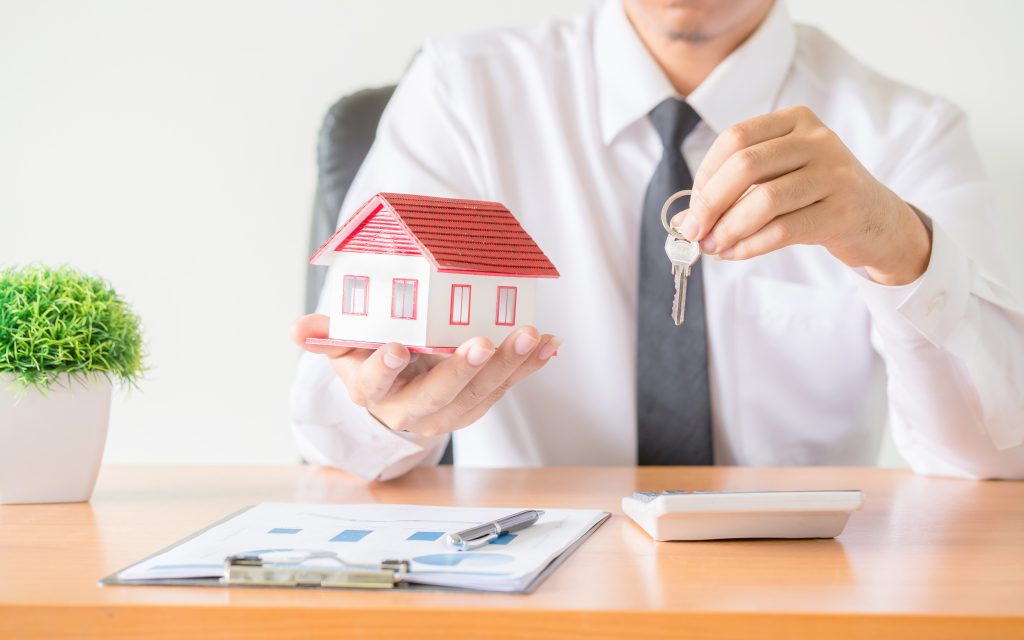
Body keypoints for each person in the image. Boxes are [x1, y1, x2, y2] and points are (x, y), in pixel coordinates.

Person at [290, 0, 1024, 481]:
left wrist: (899, 248)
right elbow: (329, 424)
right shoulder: (460, 93)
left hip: (796, 589)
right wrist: (387, 412)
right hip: (530, 587)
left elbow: (996, 457)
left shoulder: (910, 133)